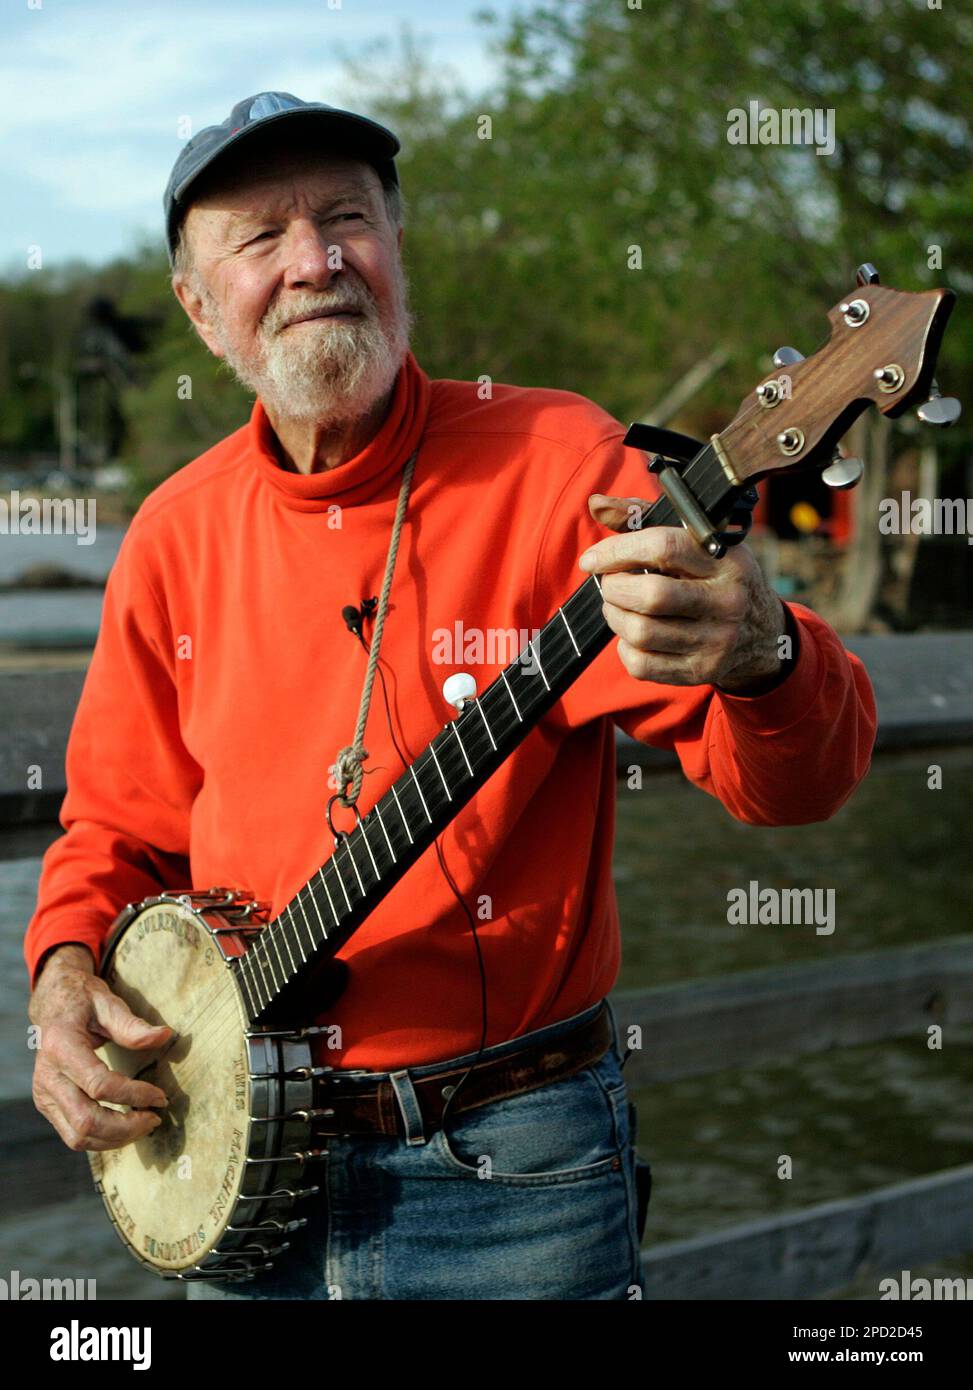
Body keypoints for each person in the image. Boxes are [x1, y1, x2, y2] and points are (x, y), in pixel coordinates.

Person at [25, 92, 876, 1300]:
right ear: (198, 306)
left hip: (508, 1173)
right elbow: (114, 829)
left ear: (394, 246)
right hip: (227, 1162)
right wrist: (62, 980)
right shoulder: (170, 534)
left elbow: (801, 784)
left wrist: (762, 654)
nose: (314, 261)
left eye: (345, 219)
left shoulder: (565, 469)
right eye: (261, 238)